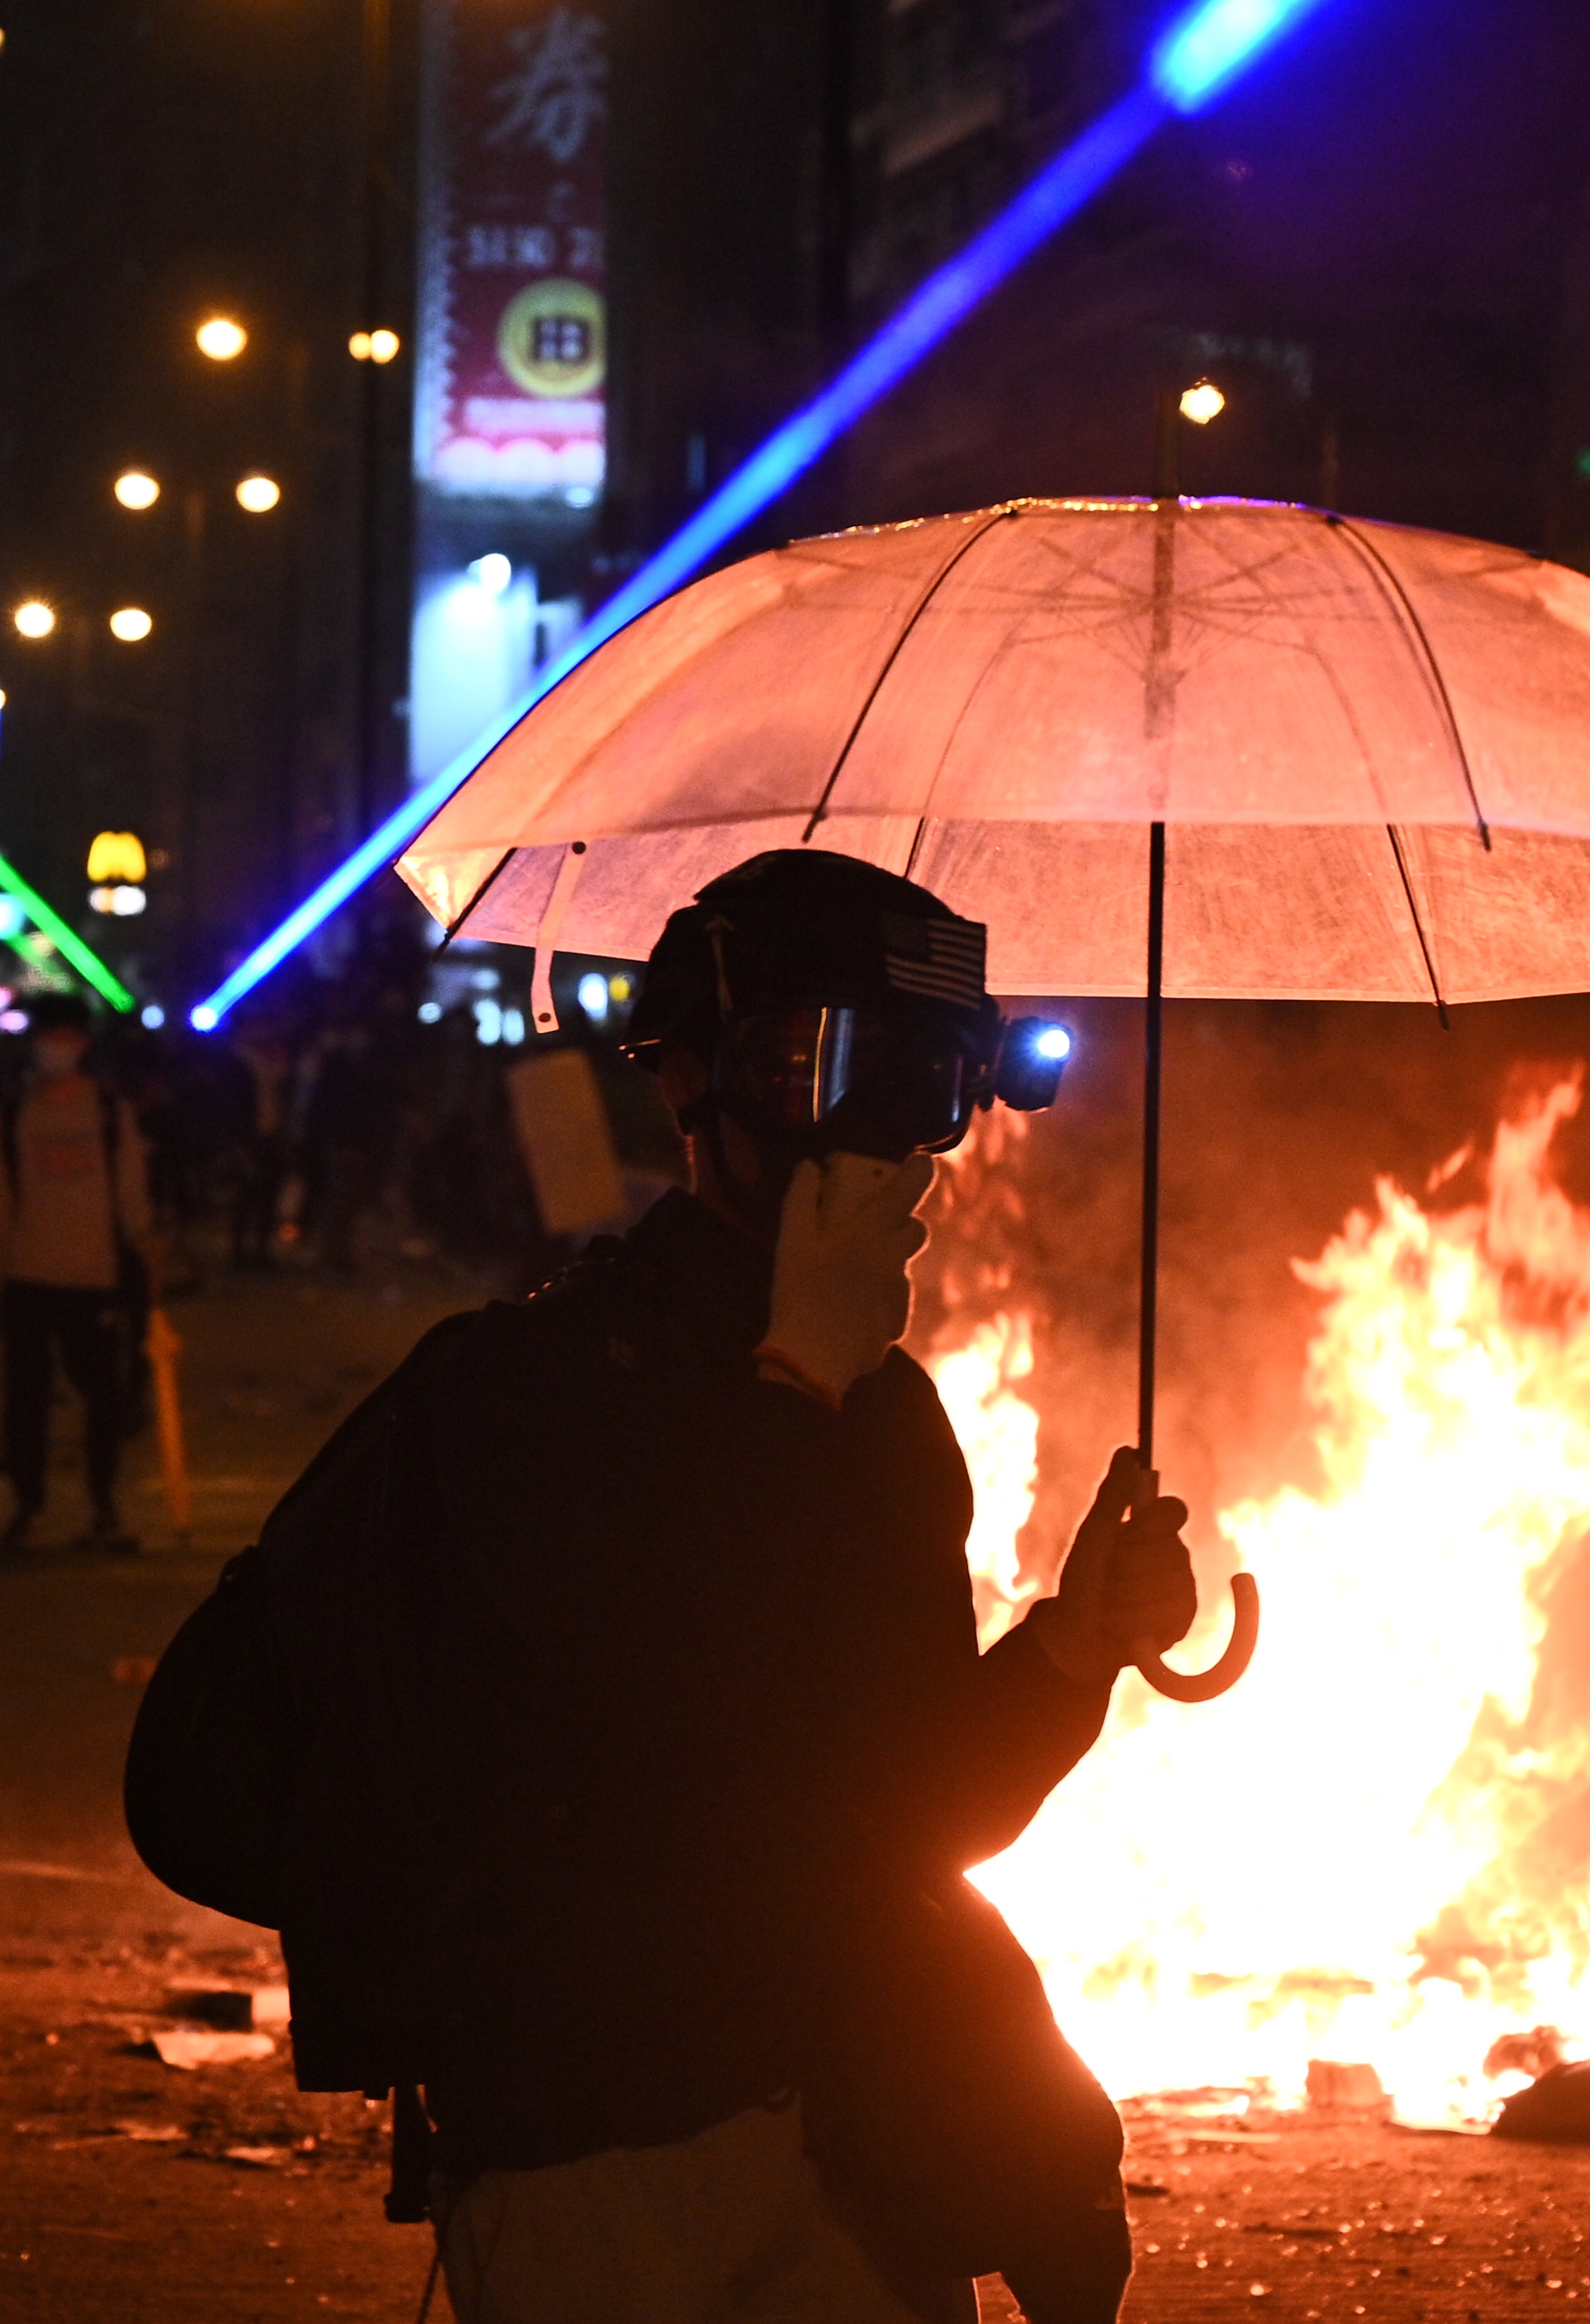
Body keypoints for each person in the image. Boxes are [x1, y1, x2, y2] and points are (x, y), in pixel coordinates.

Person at [273, 852, 1192, 2323]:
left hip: (855, 2138)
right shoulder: (531, 1390)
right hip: (596, 2156)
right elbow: (679, 1705)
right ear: (689, 1083)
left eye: (936, 1085)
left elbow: (908, 1814)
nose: (897, 1140)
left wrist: (1070, 1651)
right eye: (824, 1068)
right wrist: (787, 1389)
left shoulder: (887, 1419)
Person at [0, 993, 155, 1552]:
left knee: (102, 1400)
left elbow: (129, 1190)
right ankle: (28, 1504)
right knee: (25, 1402)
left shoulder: (108, 1111)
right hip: (28, 1274)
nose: (55, 1048)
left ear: (83, 1043)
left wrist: (144, 1245)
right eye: (47, 1037)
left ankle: (103, 1504)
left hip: (94, 1275)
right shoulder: (13, 1112)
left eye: (65, 1037)